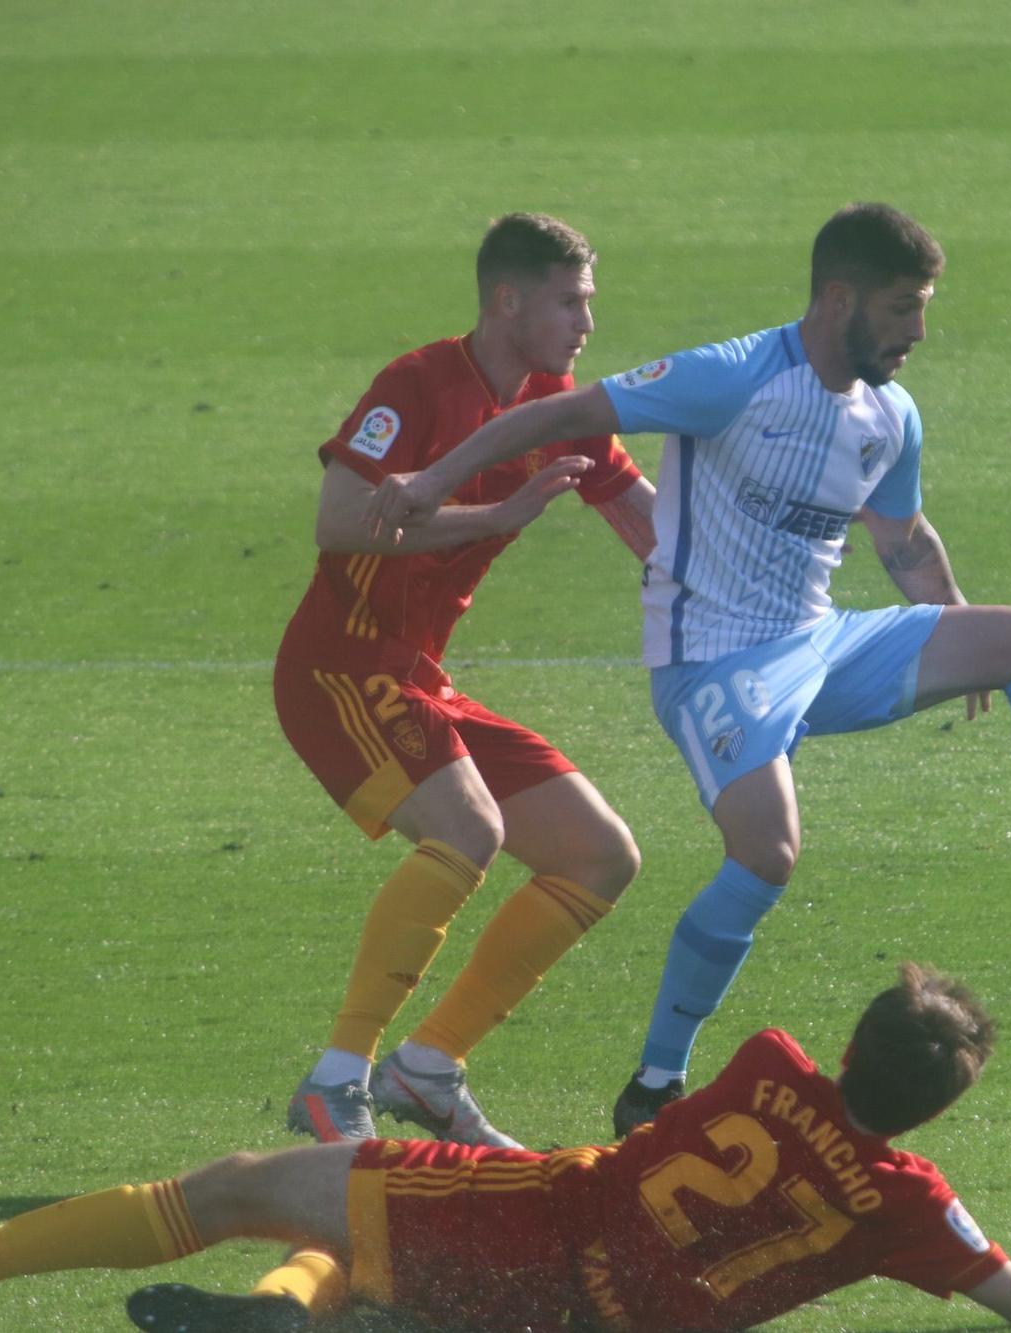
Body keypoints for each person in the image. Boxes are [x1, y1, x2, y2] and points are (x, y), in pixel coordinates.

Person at [364, 202, 1011, 1136]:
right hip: (712, 662)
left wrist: (961, 629)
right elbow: (566, 410)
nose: (919, 331)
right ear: (839, 298)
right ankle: (655, 1087)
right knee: (768, 850)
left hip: (820, 643)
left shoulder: (890, 414)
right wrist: (432, 481)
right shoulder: (735, 377)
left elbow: (904, 539)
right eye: (902, 308)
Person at [0, 964, 1011, 1330]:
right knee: (351, 1266)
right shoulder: (912, 1206)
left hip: (535, 1224)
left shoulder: (771, 1064)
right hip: (603, 1322)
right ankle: (283, 1321)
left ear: (845, 1048)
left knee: (250, 1191)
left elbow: (656, 1163)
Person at [274, 212, 656, 1150]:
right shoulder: (417, 385)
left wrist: (766, 583)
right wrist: (501, 510)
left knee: (600, 853)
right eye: (570, 301)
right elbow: (339, 519)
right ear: (508, 300)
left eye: (589, 302)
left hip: (420, 678)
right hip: (342, 668)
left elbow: (651, 526)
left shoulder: (558, 402)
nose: (586, 323)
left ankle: (430, 1065)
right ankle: (337, 1080)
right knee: (469, 828)